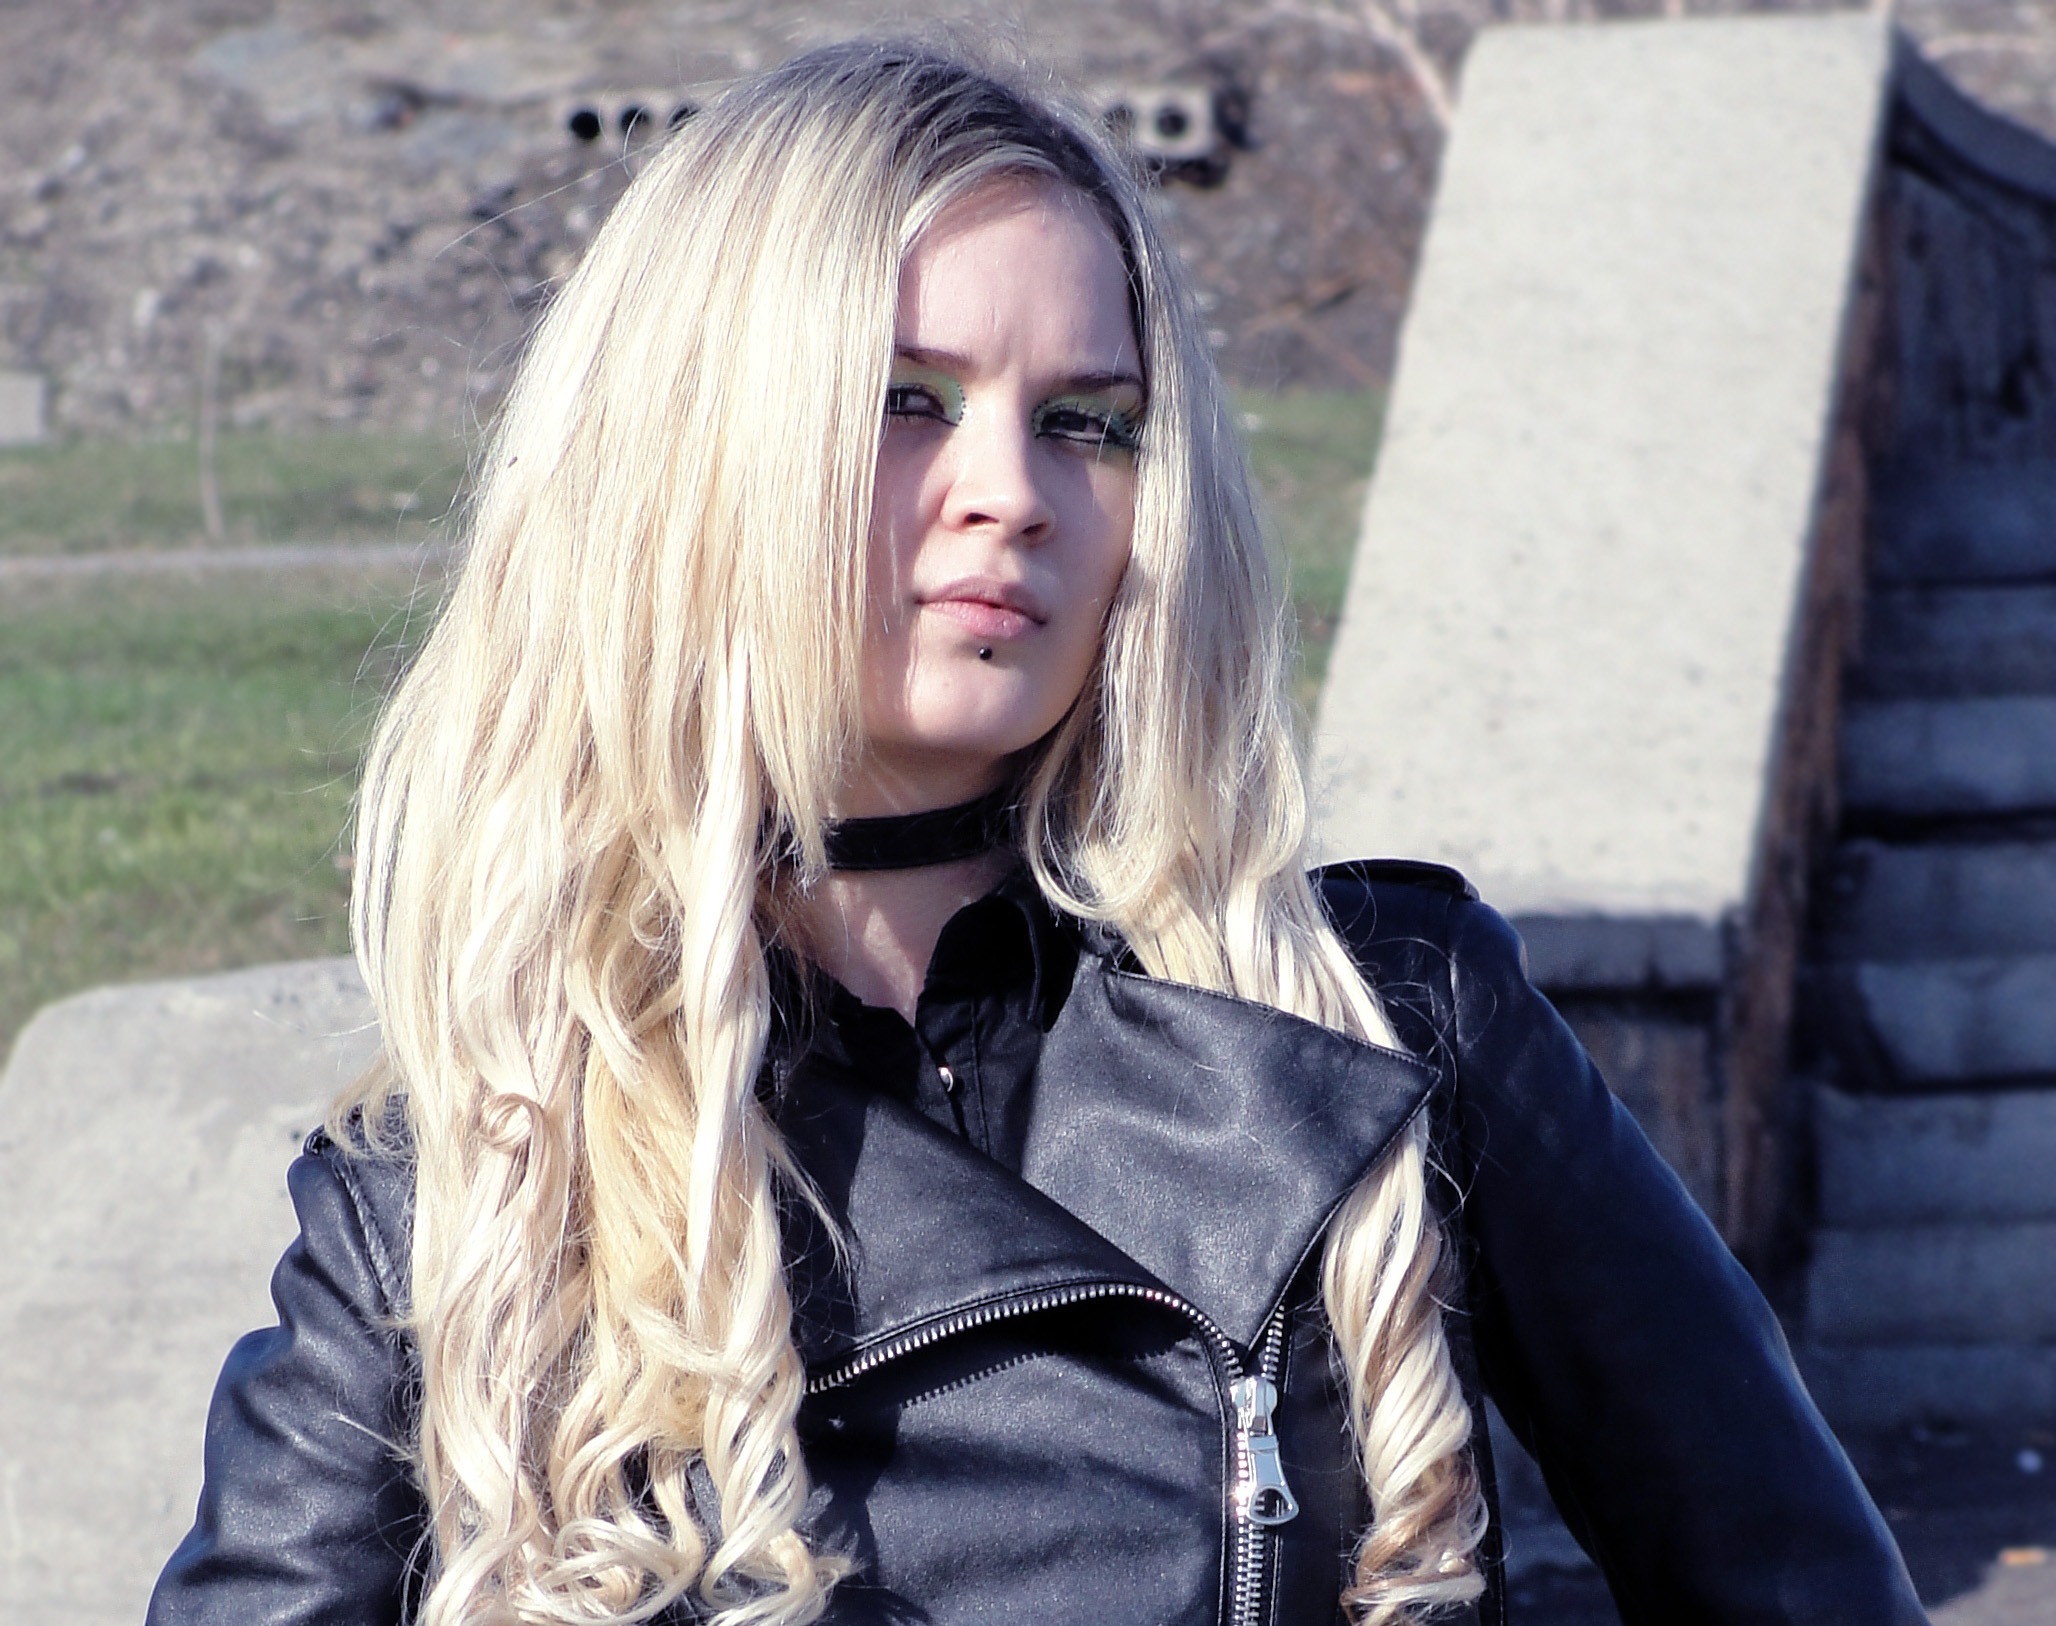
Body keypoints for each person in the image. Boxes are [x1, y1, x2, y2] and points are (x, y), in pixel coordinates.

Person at [148, 40, 1927, 1626]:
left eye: (1091, 421)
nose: (1014, 492)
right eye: (906, 399)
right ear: (693, 449)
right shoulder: (475, 1176)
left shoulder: (1381, 1030)